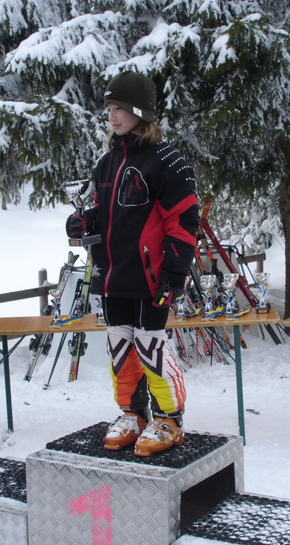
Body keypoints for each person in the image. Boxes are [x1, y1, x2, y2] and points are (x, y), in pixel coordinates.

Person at [66, 71, 199, 456]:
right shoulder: (107, 163)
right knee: (120, 347)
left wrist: (175, 275)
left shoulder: (168, 162)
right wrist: (84, 222)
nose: (112, 115)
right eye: (109, 108)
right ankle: (133, 414)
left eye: (119, 108)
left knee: (150, 345)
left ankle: (169, 419)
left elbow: (183, 221)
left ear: (140, 112)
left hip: (151, 276)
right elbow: (103, 213)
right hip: (112, 275)